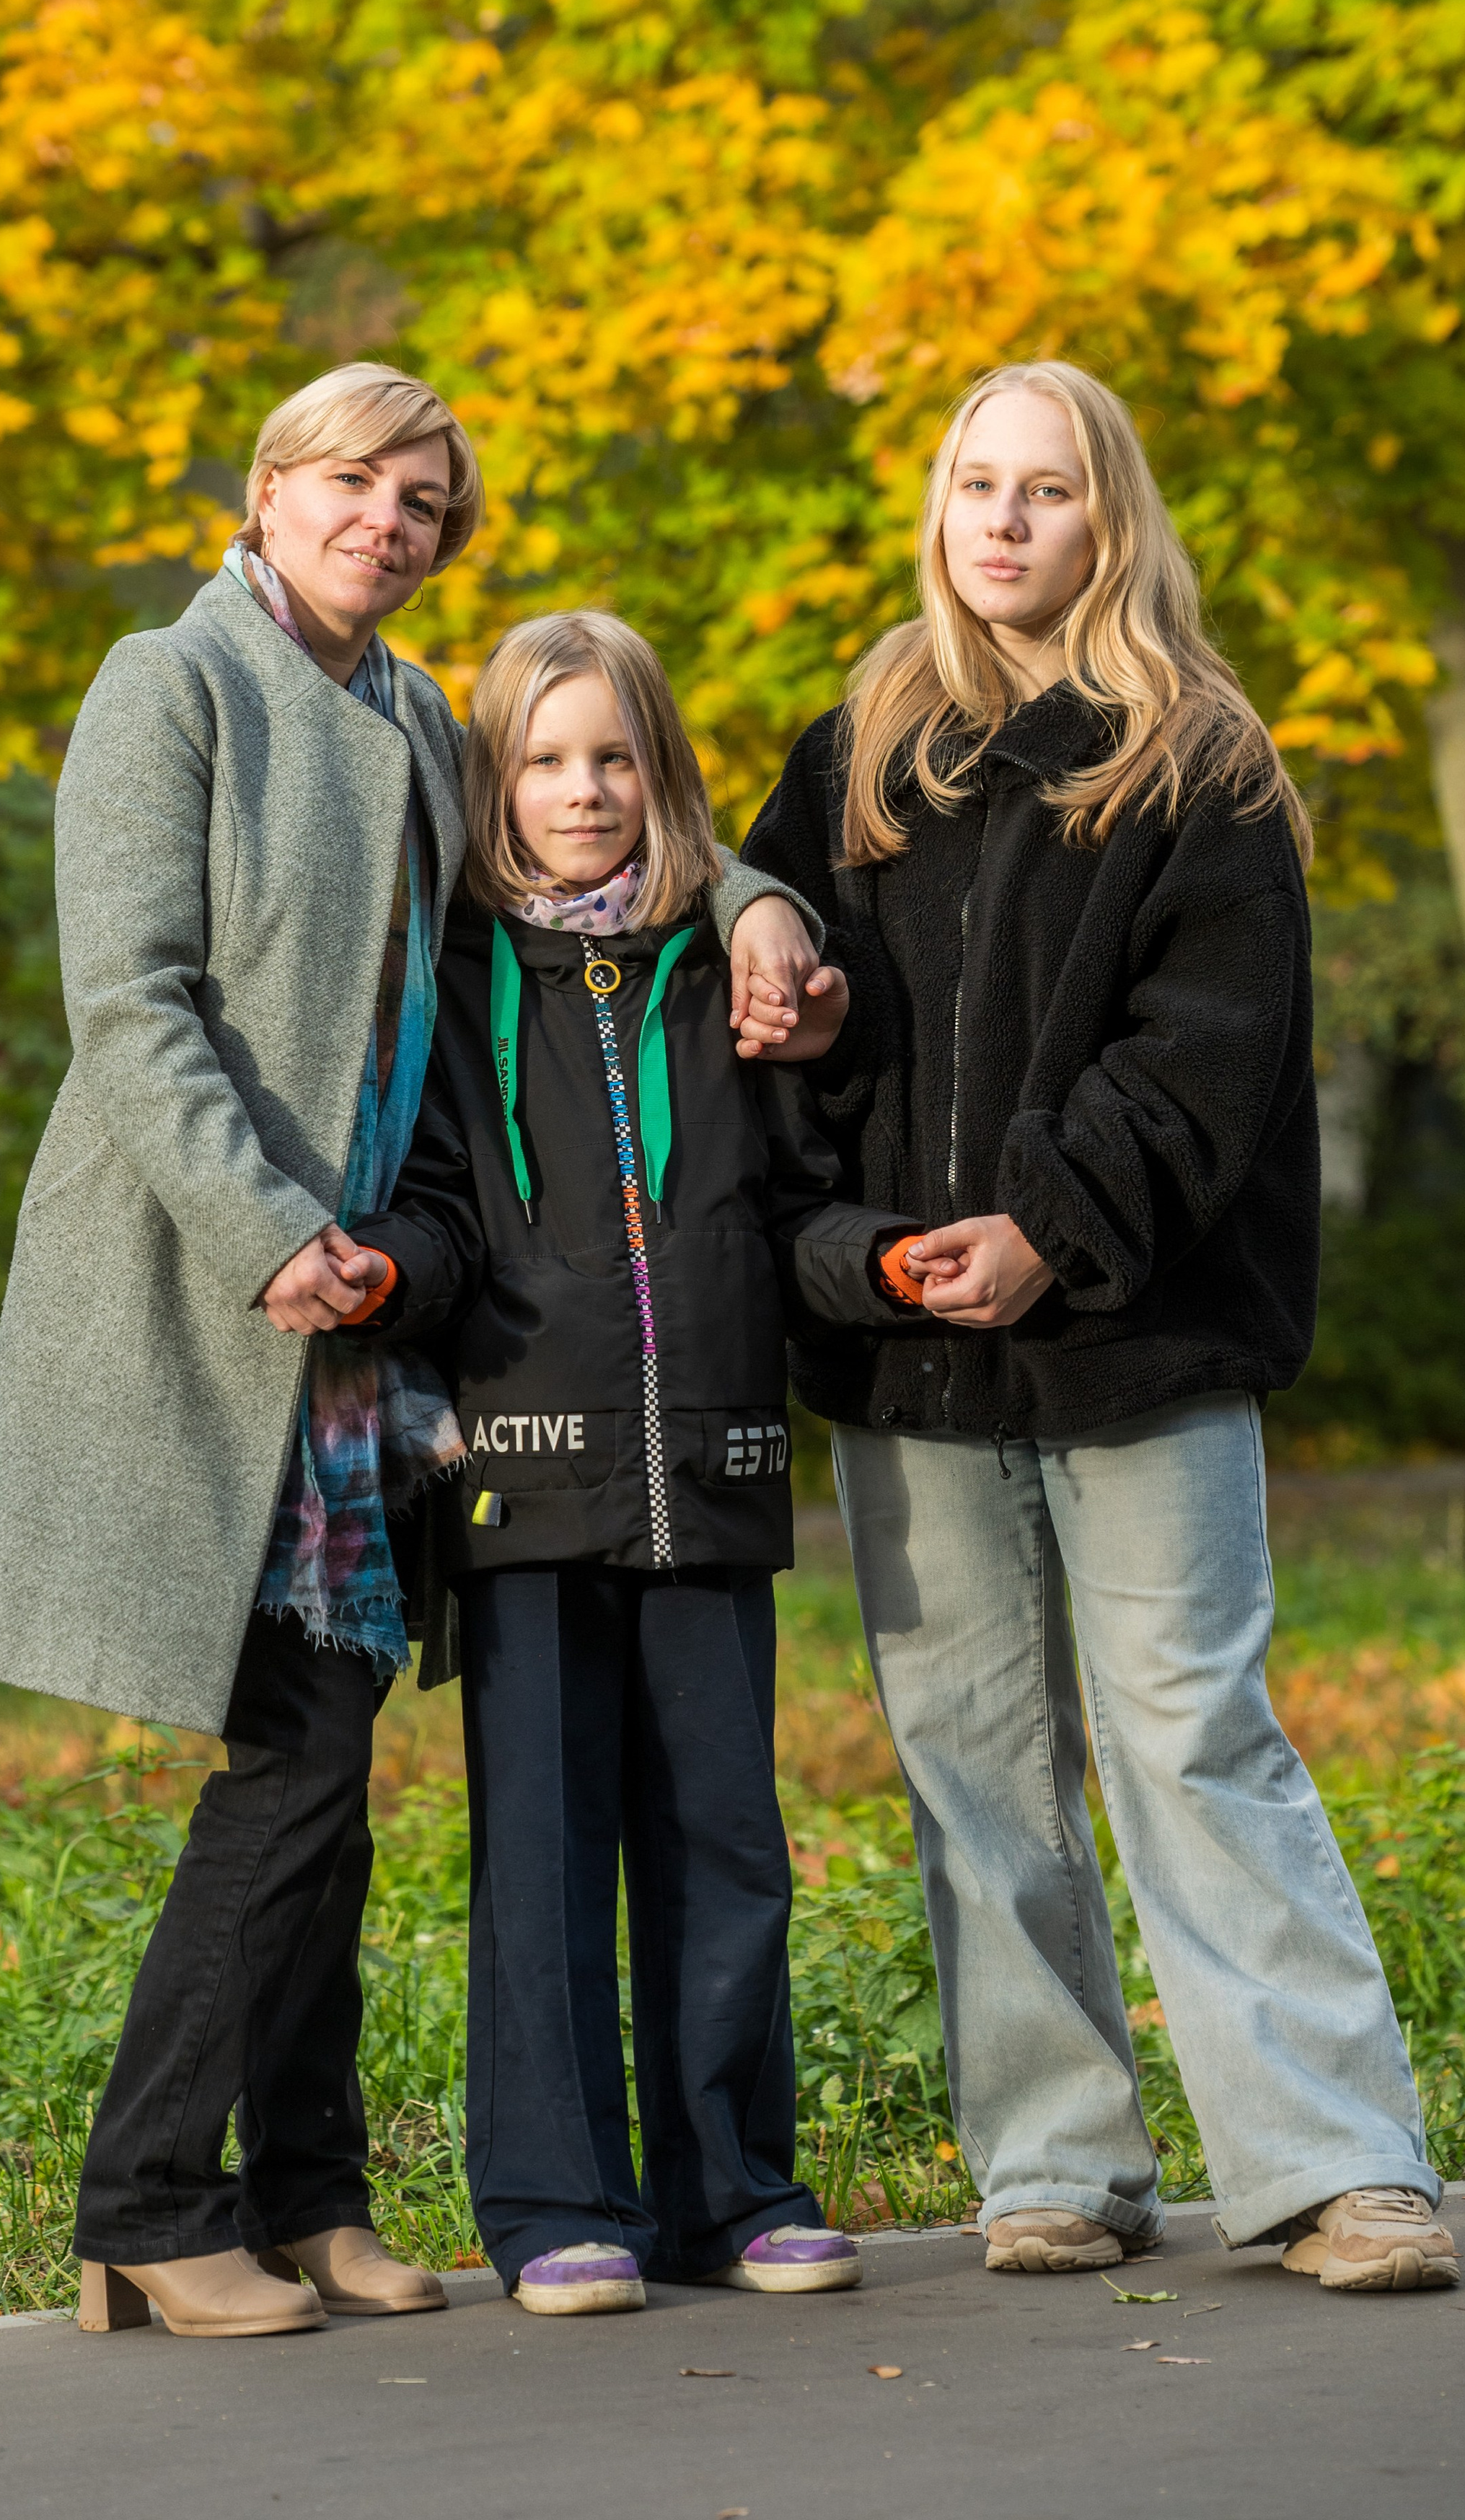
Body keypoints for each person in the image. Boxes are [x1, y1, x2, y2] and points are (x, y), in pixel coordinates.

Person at [0, 365, 831, 2341]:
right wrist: (280, 1238)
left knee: (333, 1769)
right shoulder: (161, 686)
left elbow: (603, 862)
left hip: (371, 1325)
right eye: (353, 480)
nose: (387, 519)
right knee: (286, 1763)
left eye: (424, 500)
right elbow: (131, 1004)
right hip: (213, 1288)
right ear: (267, 491)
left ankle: (313, 2190)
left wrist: (765, 905)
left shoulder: (427, 717)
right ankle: (148, 2200)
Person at [742, 359, 1459, 2296]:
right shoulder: (862, 744)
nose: (1002, 522)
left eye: (1044, 490)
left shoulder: (1198, 762)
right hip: (910, 1351)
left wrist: (1051, 1232)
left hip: (1138, 1346)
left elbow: (1205, 1064)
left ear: (1108, 517)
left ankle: (1331, 2164)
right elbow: (763, 981)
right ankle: (1054, 2153)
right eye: (976, 484)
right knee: (976, 1761)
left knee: (1197, 1738)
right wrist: (768, 958)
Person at [310, 610, 918, 2314]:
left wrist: (874, 1261)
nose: (580, 791)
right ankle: (552, 2202)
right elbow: (434, 1205)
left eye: (611, 756)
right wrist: (389, 1271)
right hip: (519, 1480)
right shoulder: (452, 977)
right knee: (545, 1851)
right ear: (492, 780)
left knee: (728, 1842)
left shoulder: (730, 975)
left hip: (712, 1467)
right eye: (543, 758)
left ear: (662, 771)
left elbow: (789, 1208)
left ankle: (735, 2187)